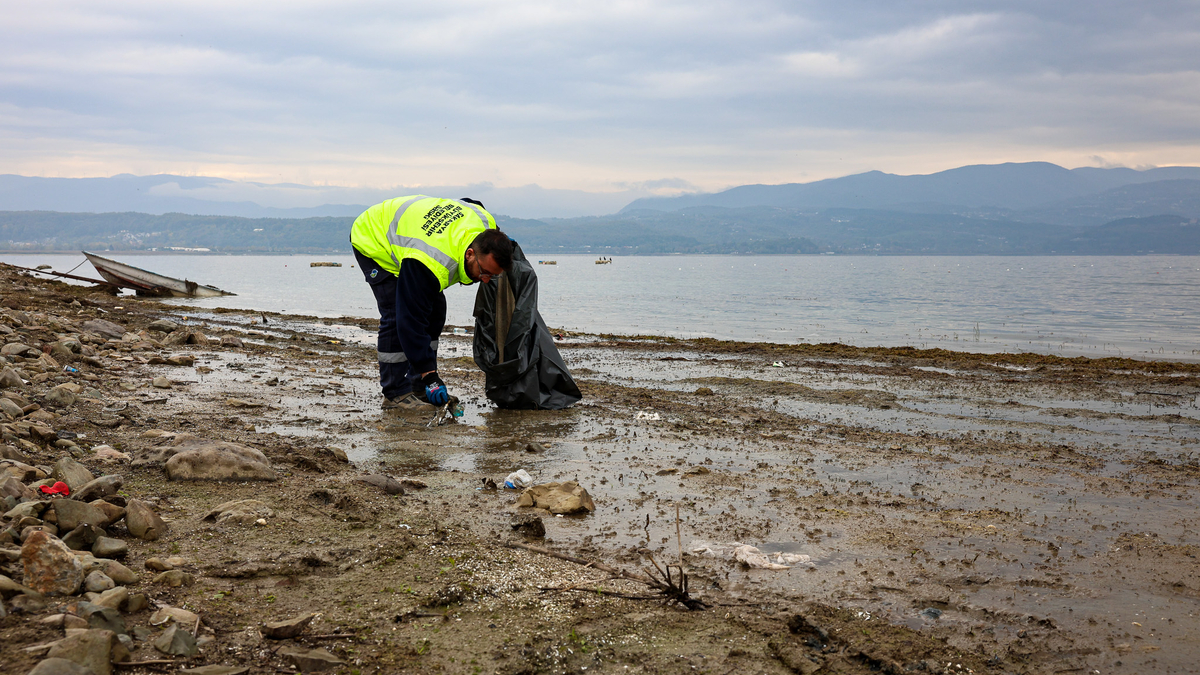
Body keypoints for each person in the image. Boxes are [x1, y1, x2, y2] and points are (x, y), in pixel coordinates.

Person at [350, 195, 513, 410]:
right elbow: (410, 320)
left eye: (492, 276)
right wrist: (431, 376)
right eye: (484, 273)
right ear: (470, 254)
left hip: (416, 238)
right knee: (394, 313)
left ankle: (418, 386)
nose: (485, 280)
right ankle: (395, 393)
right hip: (373, 236)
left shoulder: (485, 224)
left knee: (436, 310)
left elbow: (469, 203)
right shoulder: (430, 261)